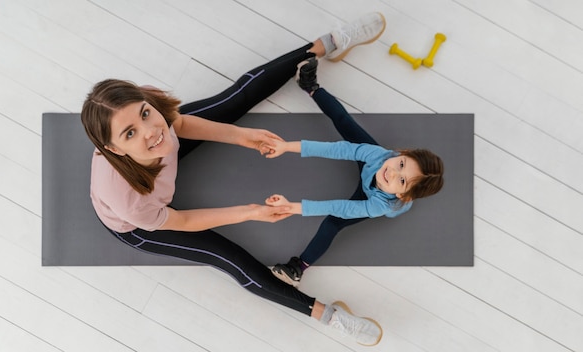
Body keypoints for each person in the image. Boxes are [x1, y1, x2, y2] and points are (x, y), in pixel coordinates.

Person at [81, 12, 387, 346]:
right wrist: (252, 211)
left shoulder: (147, 107)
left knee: (234, 98)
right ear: (114, 148)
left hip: (159, 170)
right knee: (225, 257)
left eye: (145, 114)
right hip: (146, 221)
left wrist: (242, 136)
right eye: (130, 133)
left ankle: (325, 45)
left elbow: (178, 126)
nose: (151, 130)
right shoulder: (131, 202)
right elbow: (181, 219)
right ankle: (328, 315)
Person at [265, 57, 444, 286]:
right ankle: (310, 86)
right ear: (401, 153)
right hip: (371, 169)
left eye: (401, 181)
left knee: (333, 223)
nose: (392, 173)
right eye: (401, 165)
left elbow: (340, 207)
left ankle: (298, 269)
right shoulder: (381, 157)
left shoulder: (382, 205)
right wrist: (286, 146)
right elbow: (338, 150)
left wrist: (293, 207)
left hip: (371, 195)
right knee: (345, 123)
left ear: (402, 194)